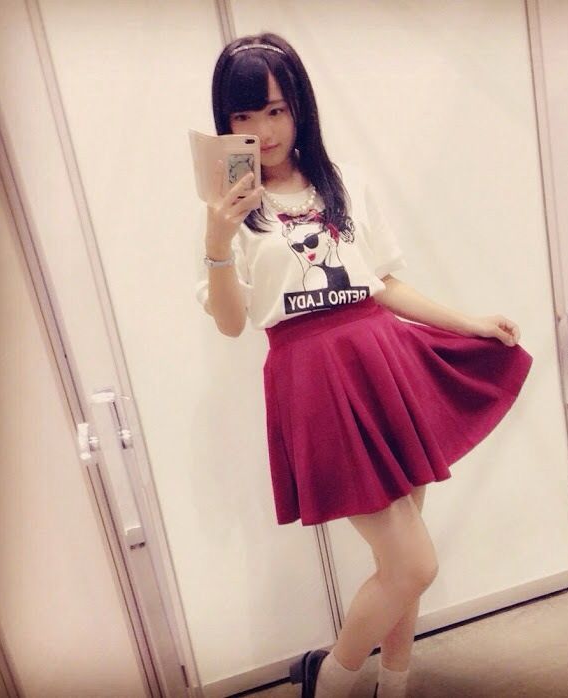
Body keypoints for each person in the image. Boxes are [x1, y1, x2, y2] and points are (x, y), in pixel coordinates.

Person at [196, 31, 534, 698]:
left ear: (299, 108)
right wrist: (217, 240)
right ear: (224, 124)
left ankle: (394, 685)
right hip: (313, 382)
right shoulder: (228, 211)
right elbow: (232, 322)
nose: (264, 130)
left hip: (384, 363)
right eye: (244, 115)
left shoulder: (342, 183)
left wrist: (468, 322)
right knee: (413, 564)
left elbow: (380, 284)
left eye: (277, 110)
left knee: (401, 560)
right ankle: (331, 677)